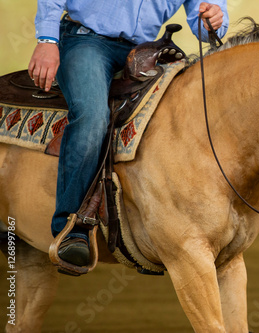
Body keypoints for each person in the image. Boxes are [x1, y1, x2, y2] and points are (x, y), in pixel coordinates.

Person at [29, 0, 228, 268]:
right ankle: (70, 228)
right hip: (85, 40)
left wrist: (213, 21)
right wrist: (47, 40)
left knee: (176, 116)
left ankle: (164, 219)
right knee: (93, 116)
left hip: (144, 51)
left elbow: (206, 25)